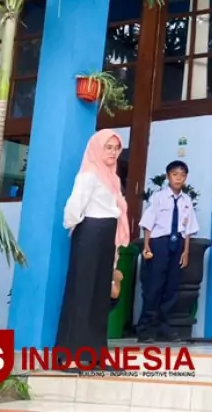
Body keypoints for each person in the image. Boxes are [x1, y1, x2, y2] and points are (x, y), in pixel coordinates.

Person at [56, 129, 130, 369]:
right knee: (82, 292)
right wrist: (81, 229)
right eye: (108, 147)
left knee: (100, 295)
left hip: (106, 235)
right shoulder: (89, 175)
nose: (112, 152)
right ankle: (70, 356)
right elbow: (73, 208)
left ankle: (95, 355)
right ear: (98, 148)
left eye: (116, 148)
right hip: (89, 233)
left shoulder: (113, 178)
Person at [136, 160, 199, 343]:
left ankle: (164, 326)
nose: (178, 178)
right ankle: (145, 328)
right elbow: (148, 223)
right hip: (159, 243)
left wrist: (185, 252)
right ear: (167, 176)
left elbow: (187, 229)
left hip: (177, 243)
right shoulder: (159, 197)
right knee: (154, 285)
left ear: (185, 178)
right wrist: (146, 246)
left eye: (182, 175)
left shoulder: (187, 201)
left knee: (171, 287)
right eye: (174, 174)